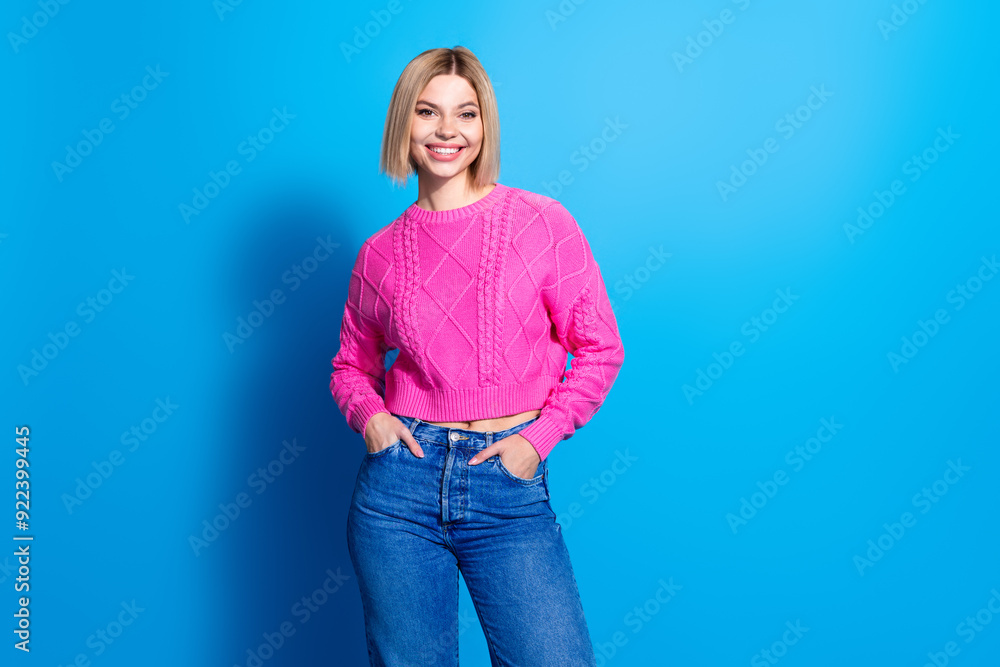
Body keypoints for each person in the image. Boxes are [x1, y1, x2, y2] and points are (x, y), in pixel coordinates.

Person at [330, 45, 624, 667]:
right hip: (398, 491)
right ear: (403, 125)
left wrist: (537, 439)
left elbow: (599, 348)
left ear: (484, 126)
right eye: (428, 112)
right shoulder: (377, 254)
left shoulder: (540, 223)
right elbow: (351, 367)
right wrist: (373, 421)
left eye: (466, 114)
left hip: (505, 481)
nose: (446, 131)